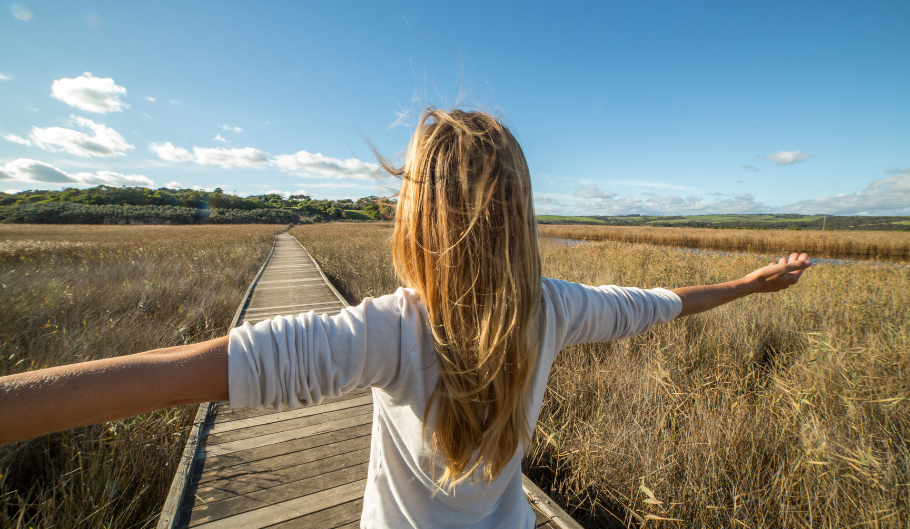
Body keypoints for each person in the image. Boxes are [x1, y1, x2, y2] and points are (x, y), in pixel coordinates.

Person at [0, 108, 811, 528]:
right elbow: (658, 308)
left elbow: (179, 374)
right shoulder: (556, 309)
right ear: (520, 218)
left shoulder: (384, 331)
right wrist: (749, 283)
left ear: (417, 224)